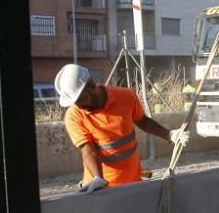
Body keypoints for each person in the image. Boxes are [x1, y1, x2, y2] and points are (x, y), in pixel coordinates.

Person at [54, 63, 188, 192]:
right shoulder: (74, 115)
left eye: (81, 99)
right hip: (100, 188)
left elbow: (143, 121)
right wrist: (98, 178)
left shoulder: (125, 97)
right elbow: (88, 151)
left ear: (91, 86)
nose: (79, 105)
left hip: (133, 183)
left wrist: (170, 135)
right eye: (75, 102)